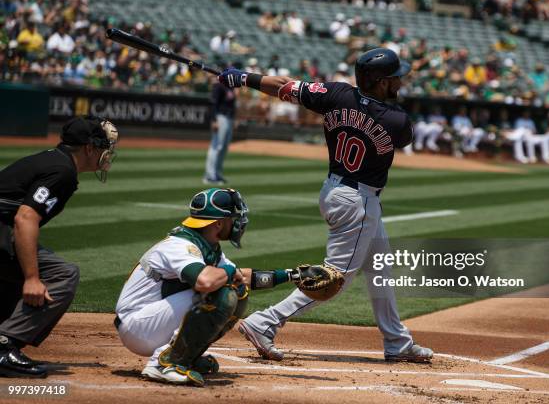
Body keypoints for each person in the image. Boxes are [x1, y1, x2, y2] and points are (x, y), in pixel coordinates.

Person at [216, 48, 434, 363]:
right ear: (381, 81)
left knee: (380, 268)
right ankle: (265, 322)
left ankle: (397, 342)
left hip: (334, 190)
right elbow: (404, 138)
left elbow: (283, 86)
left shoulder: (336, 93)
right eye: (395, 77)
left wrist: (243, 78)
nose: (400, 81)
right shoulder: (396, 120)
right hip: (357, 202)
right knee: (334, 279)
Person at [114, 188, 334, 386]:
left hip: (152, 321)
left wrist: (290, 275)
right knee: (220, 292)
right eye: (233, 218)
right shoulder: (180, 245)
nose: (238, 222)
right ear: (218, 223)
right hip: (137, 326)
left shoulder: (207, 245)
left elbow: (241, 277)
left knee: (237, 292)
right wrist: (229, 274)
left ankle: (185, 356)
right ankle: (164, 363)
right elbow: (206, 281)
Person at [0, 116, 119, 378]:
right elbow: (25, 217)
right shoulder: (63, 171)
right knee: (62, 273)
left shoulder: (53, 159)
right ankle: (5, 345)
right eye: (103, 147)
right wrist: (32, 278)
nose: (107, 153)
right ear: (89, 148)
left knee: (18, 263)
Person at [204, 76, 236, 184]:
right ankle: (209, 175)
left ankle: (217, 173)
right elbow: (213, 104)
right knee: (216, 146)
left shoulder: (231, 87)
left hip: (229, 118)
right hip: (220, 117)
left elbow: (232, 105)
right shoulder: (218, 86)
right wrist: (214, 120)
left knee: (224, 147)